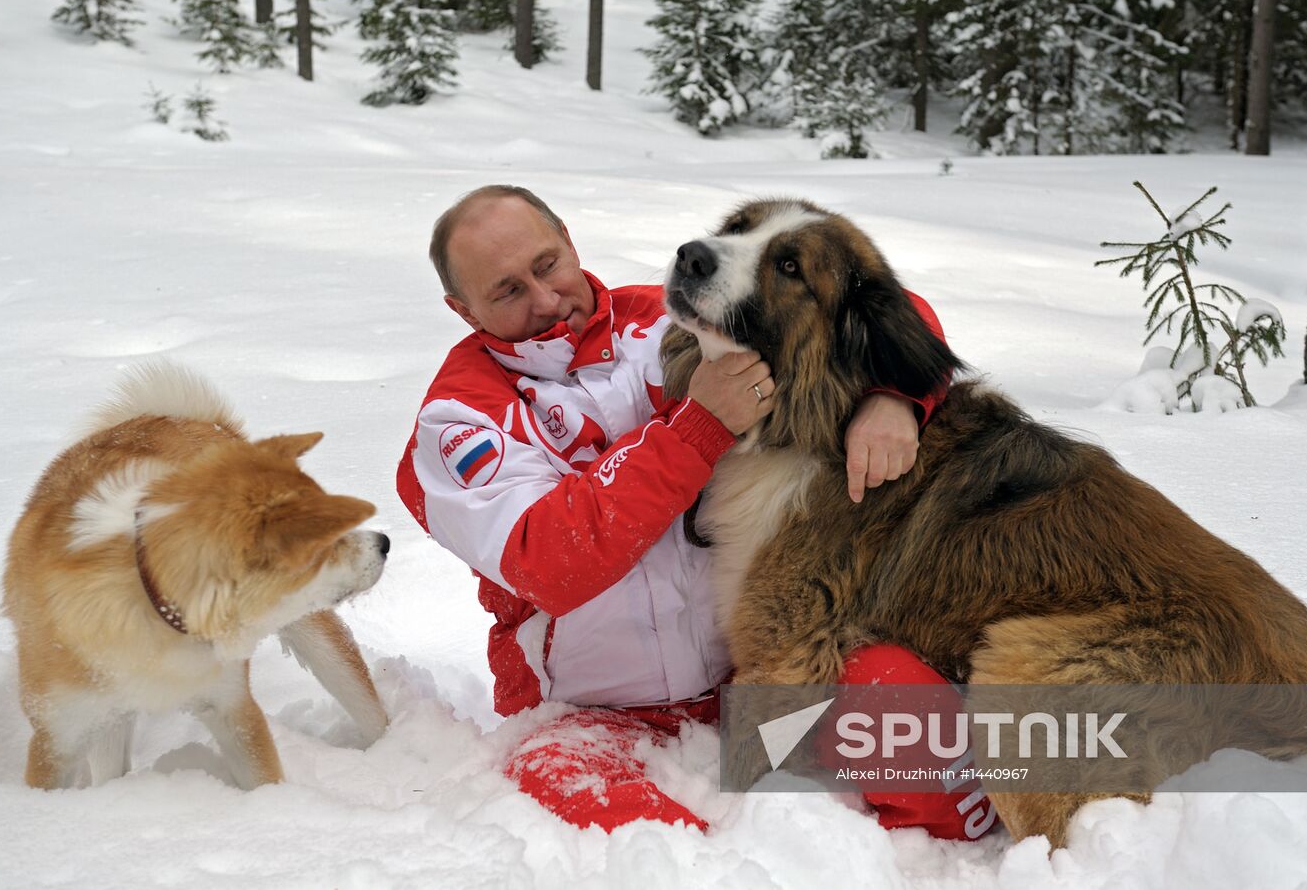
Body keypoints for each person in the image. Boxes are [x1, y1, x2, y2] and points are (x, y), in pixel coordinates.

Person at [396, 185, 994, 840]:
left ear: (568, 238)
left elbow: (879, 304)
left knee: (897, 698)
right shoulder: (457, 420)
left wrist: (896, 394)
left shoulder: (667, 318)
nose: (545, 301)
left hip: (749, 670)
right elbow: (550, 562)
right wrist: (697, 426)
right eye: (507, 292)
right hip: (591, 716)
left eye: (547, 266)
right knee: (603, 813)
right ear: (462, 309)